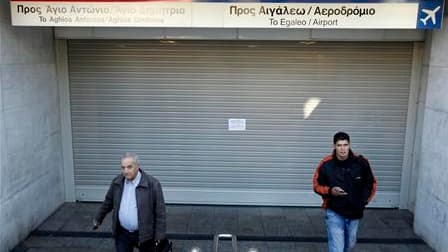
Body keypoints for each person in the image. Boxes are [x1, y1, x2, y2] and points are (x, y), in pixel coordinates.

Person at [313, 132, 377, 252]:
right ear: (334, 146)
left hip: (354, 212)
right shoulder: (326, 164)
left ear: (349, 145)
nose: (342, 149)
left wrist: (362, 202)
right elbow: (316, 186)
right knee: (337, 248)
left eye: (345, 145)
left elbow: (371, 184)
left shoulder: (361, 163)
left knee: (349, 245)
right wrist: (331, 191)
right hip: (334, 212)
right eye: (339, 145)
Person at [93, 152, 167, 252]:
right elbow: (108, 202)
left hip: (145, 235)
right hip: (123, 234)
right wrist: (98, 218)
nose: (125, 171)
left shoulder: (153, 184)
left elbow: (160, 212)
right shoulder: (117, 182)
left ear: (137, 166)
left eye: (129, 167)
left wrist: (160, 236)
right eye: (123, 168)